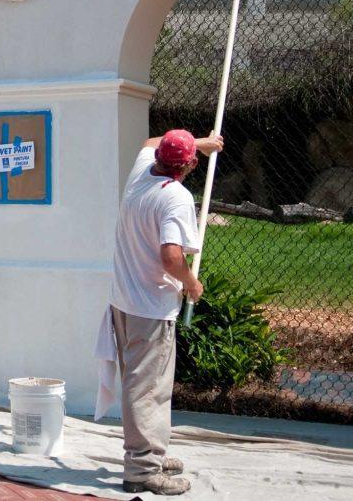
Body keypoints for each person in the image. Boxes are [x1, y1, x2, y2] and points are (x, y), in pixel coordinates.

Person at [100, 129, 222, 496]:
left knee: (147, 386)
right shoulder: (176, 199)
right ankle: (141, 469)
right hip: (149, 310)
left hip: (124, 301)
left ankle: (151, 451)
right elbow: (171, 257)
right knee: (146, 388)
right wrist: (191, 283)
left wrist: (202, 142)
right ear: (190, 165)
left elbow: (149, 141)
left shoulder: (140, 174)